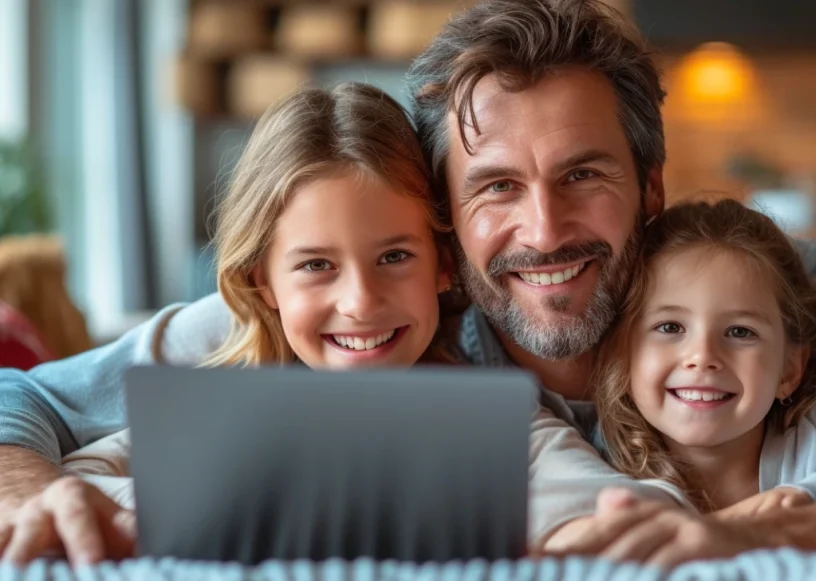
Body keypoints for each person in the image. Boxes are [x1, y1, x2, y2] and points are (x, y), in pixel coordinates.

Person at [0, 0, 816, 568]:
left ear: (651, 186)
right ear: (444, 217)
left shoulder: (767, 289)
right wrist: (37, 485)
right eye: (496, 187)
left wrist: (786, 525)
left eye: (583, 175)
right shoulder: (378, 300)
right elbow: (30, 397)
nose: (543, 231)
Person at [0, 81, 685, 564]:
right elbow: (25, 403)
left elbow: (613, 511)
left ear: (444, 262)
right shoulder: (220, 362)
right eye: (316, 265)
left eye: (394, 256)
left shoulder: (494, 418)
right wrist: (61, 497)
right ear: (257, 279)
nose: (359, 300)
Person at [594, 199, 816, 520]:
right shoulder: (606, 460)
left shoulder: (815, 439)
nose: (703, 357)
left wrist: (804, 498)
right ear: (624, 357)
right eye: (670, 327)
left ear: (789, 369)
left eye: (740, 332)